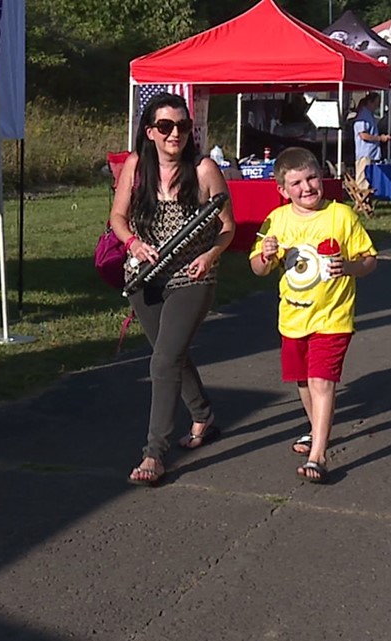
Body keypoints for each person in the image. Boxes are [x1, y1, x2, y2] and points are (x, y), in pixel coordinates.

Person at [108, 91, 235, 486]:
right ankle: (203, 416)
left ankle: (154, 453)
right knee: (172, 355)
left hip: (191, 278)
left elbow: (228, 226)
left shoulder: (203, 169)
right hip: (146, 276)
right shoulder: (135, 166)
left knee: (163, 362)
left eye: (182, 126)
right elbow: (117, 216)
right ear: (149, 131)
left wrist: (210, 256)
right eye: (165, 126)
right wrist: (133, 243)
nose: (174, 133)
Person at [249, 147, 377, 483]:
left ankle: (319, 454)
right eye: (296, 183)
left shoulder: (342, 216)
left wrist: (348, 266)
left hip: (333, 317)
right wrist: (265, 255)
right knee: (303, 380)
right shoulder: (276, 221)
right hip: (292, 319)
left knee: (322, 380)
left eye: (311, 178)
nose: (307, 187)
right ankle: (315, 428)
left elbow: (369, 261)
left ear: (321, 178)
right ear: (282, 190)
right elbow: (258, 269)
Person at [353, 92, 391, 195]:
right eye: (376, 103)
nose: (377, 106)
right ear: (370, 102)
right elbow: (363, 135)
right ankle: (361, 203)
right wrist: (380, 138)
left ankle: (365, 203)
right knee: (362, 182)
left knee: (369, 181)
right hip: (365, 154)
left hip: (371, 154)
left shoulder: (369, 115)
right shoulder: (363, 116)